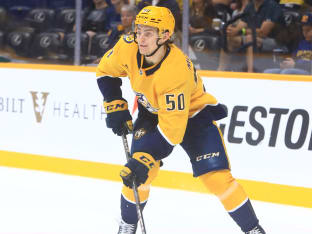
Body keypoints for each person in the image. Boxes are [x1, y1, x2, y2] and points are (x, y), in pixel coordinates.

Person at [96, 6, 266, 234]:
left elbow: (172, 132)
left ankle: (253, 229)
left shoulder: (175, 70)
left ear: (165, 36)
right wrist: (114, 104)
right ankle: (128, 225)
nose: (140, 37)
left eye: (148, 32)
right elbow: (105, 71)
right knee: (140, 177)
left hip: (193, 116)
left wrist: (144, 160)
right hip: (153, 113)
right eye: (139, 30)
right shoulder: (128, 46)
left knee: (217, 178)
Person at [217, 0, 283, 72]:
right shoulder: (250, 6)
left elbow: (263, 32)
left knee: (250, 39)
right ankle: (221, 70)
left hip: (274, 42)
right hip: (255, 38)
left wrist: (241, 31)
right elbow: (241, 26)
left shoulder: (272, 6)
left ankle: (250, 73)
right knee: (228, 38)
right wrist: (230, 30)